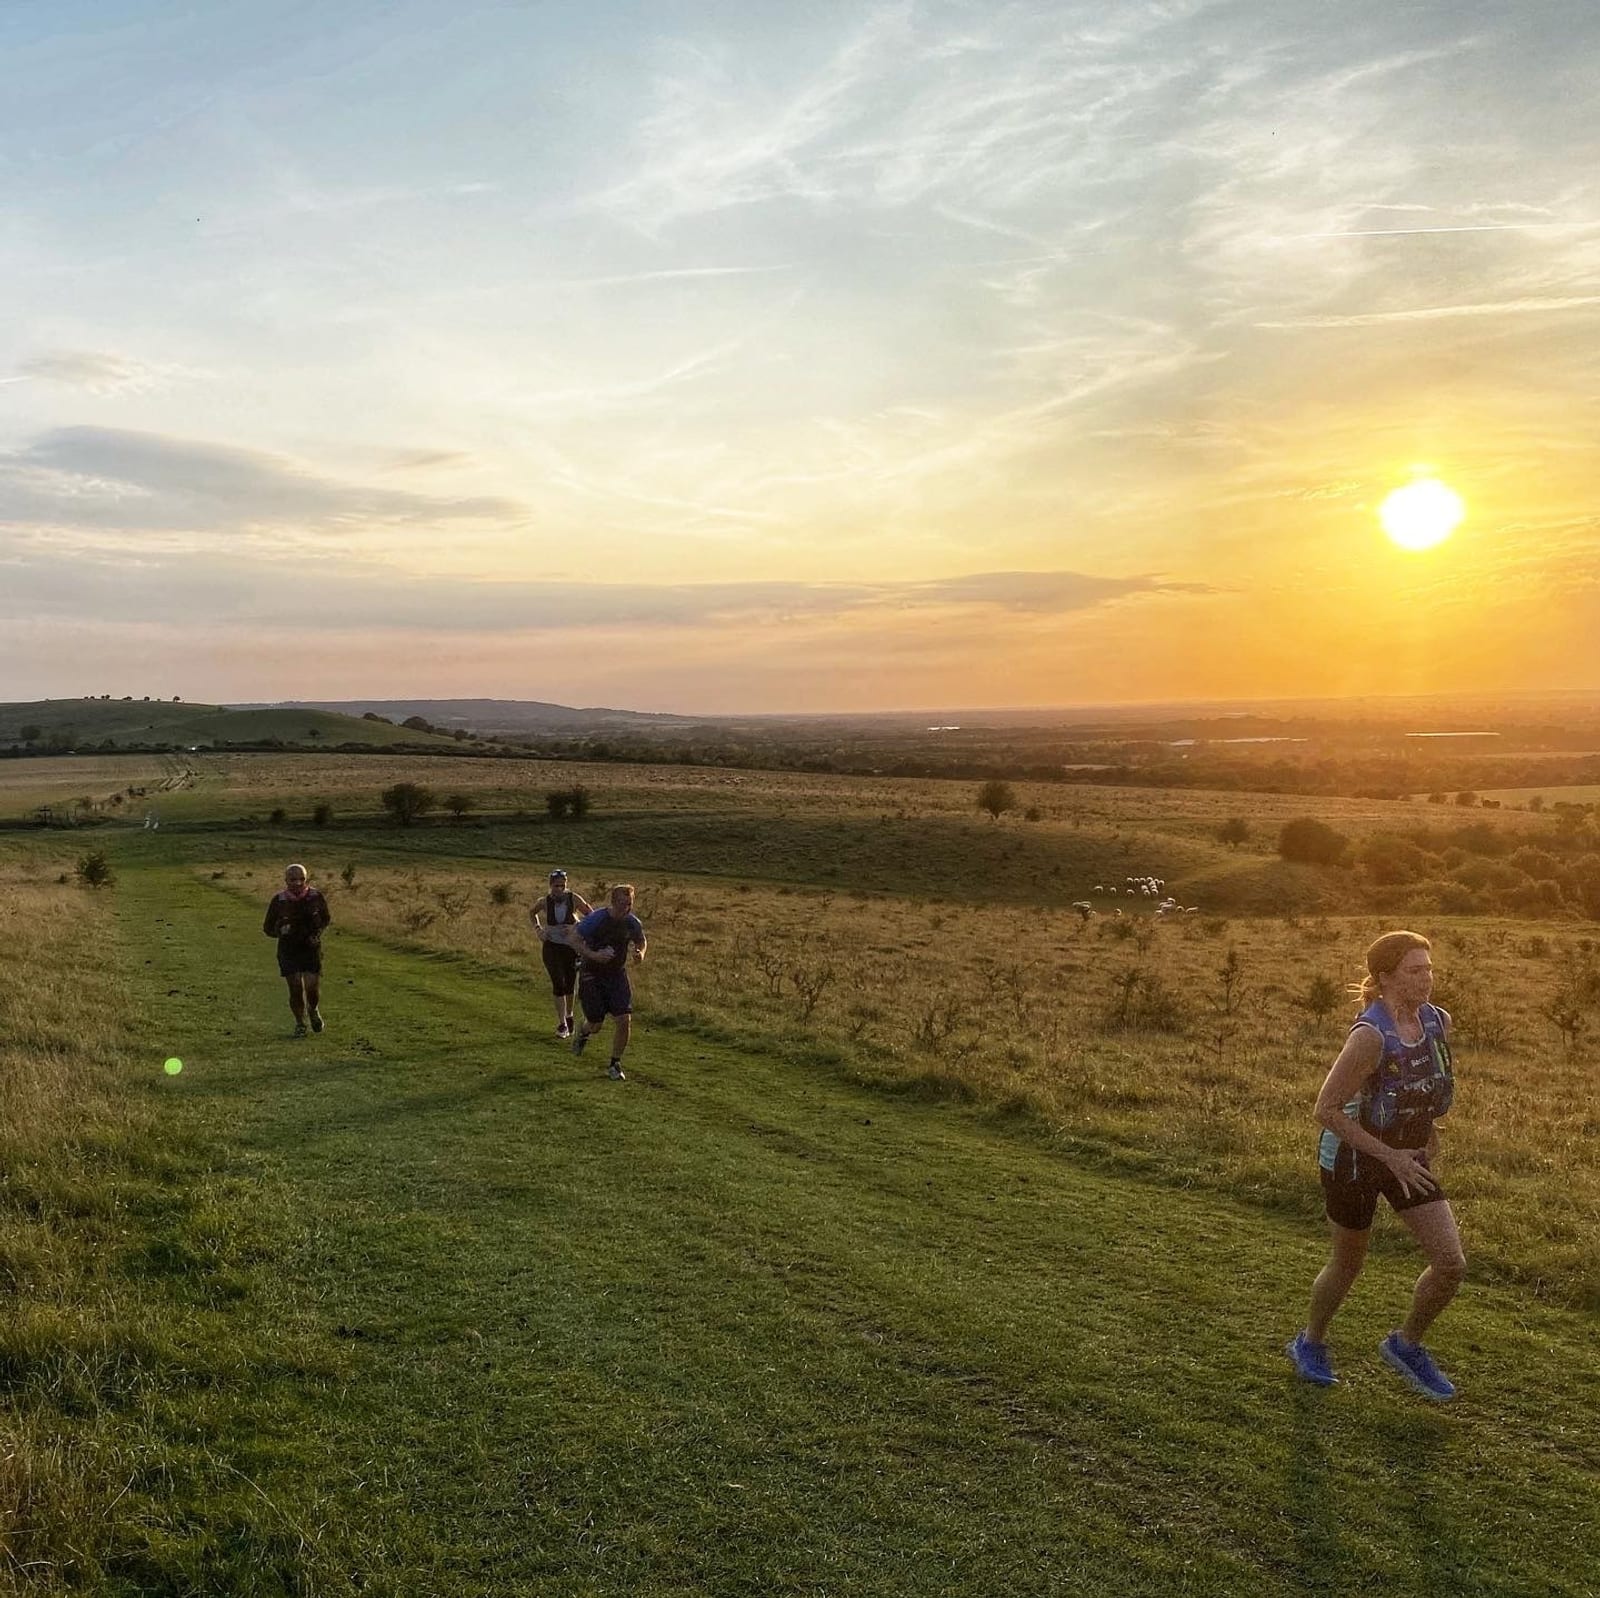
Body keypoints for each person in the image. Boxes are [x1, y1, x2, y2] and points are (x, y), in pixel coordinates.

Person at [1286, 930, 1465, 1400]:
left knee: (1450, 1263)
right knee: (1349, 1263)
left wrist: (1425, 1135)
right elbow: (1324, 1109)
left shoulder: (1437, 1022)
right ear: (1385, 976)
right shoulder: (1369, 1036)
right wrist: (1389, 1156)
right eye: (1414, 970)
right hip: (1352, 1159)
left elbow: (1424, 1084)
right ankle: (1310, 1342)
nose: (1426, 979)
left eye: (1429, 968)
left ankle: (1406, 1345)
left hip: (1408, 1158)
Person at [570, 884, 647, 1080]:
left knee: (624, 1019)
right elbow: (574, 939)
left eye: (629, 904)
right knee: (596, 1024)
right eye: (622, 904)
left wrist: (640, 953)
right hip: (591, 975)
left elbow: (641, 940)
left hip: (616, 975)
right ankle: (584, 1032)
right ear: (613, 902)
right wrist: (593, 955)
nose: (626, 908)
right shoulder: (596, 920)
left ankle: (615, 1064)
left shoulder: (632, 922)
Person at [263, 863, 332, 1037]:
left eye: (301, 879)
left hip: (310, 948)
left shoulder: (316, 897)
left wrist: (318, 933)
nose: (298, 883)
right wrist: (280, 931)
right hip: (288, 950)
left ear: (306, 879)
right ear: (286, 880)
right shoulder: (279, 901)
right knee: (295, 988)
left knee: (311, 987)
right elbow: (267, 928)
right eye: (293, 879)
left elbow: (326, 919)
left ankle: (313, 1009)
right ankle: (300, 1023)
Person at [528, 869, 592, 1038]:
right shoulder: (544, 901)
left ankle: (569, 1015)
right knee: (558, 982)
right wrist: (538, 929)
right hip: (551, 947)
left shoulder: (574, 898)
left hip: (571, 947)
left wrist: (576, 927)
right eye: (556, 886)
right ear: (550, 885)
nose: (559, 889)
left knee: (570, 984)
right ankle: (562, 1023)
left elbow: (591, 916)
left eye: (562, 886)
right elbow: (532, 912)